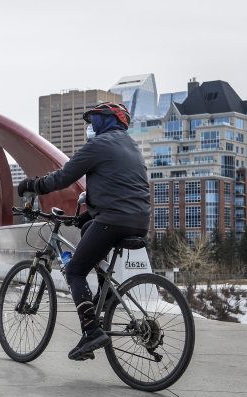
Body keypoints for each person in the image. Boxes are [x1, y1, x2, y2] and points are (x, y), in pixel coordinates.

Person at [17, 102, 150, 361]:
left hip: (113, 219)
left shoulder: (99, 145)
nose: (90, 127)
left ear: (105, 121)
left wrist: (33, 185)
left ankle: (91, 330)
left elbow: (64, 177)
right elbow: (121, 188)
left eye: (93, 121)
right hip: (138, 220)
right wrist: (89, 214)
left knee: (76, 270)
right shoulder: (131, 146)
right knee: (89, 227)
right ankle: (106, 293)